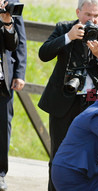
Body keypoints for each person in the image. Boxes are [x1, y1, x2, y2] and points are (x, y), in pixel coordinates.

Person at [38, 0, 98, 190]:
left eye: (96, 16)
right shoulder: (64, 28)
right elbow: (43, 54)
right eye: (88, 15)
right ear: (78, 12)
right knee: (58, 157)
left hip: (94, 106)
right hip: (63, 102)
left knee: (91, 159)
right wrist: (68, 37)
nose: (92, 20)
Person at [0, 0, 26, 190]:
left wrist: (19, 73)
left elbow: (19, 42)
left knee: (2, 127)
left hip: (4, 78)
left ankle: (0, 173)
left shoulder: (12, 5)